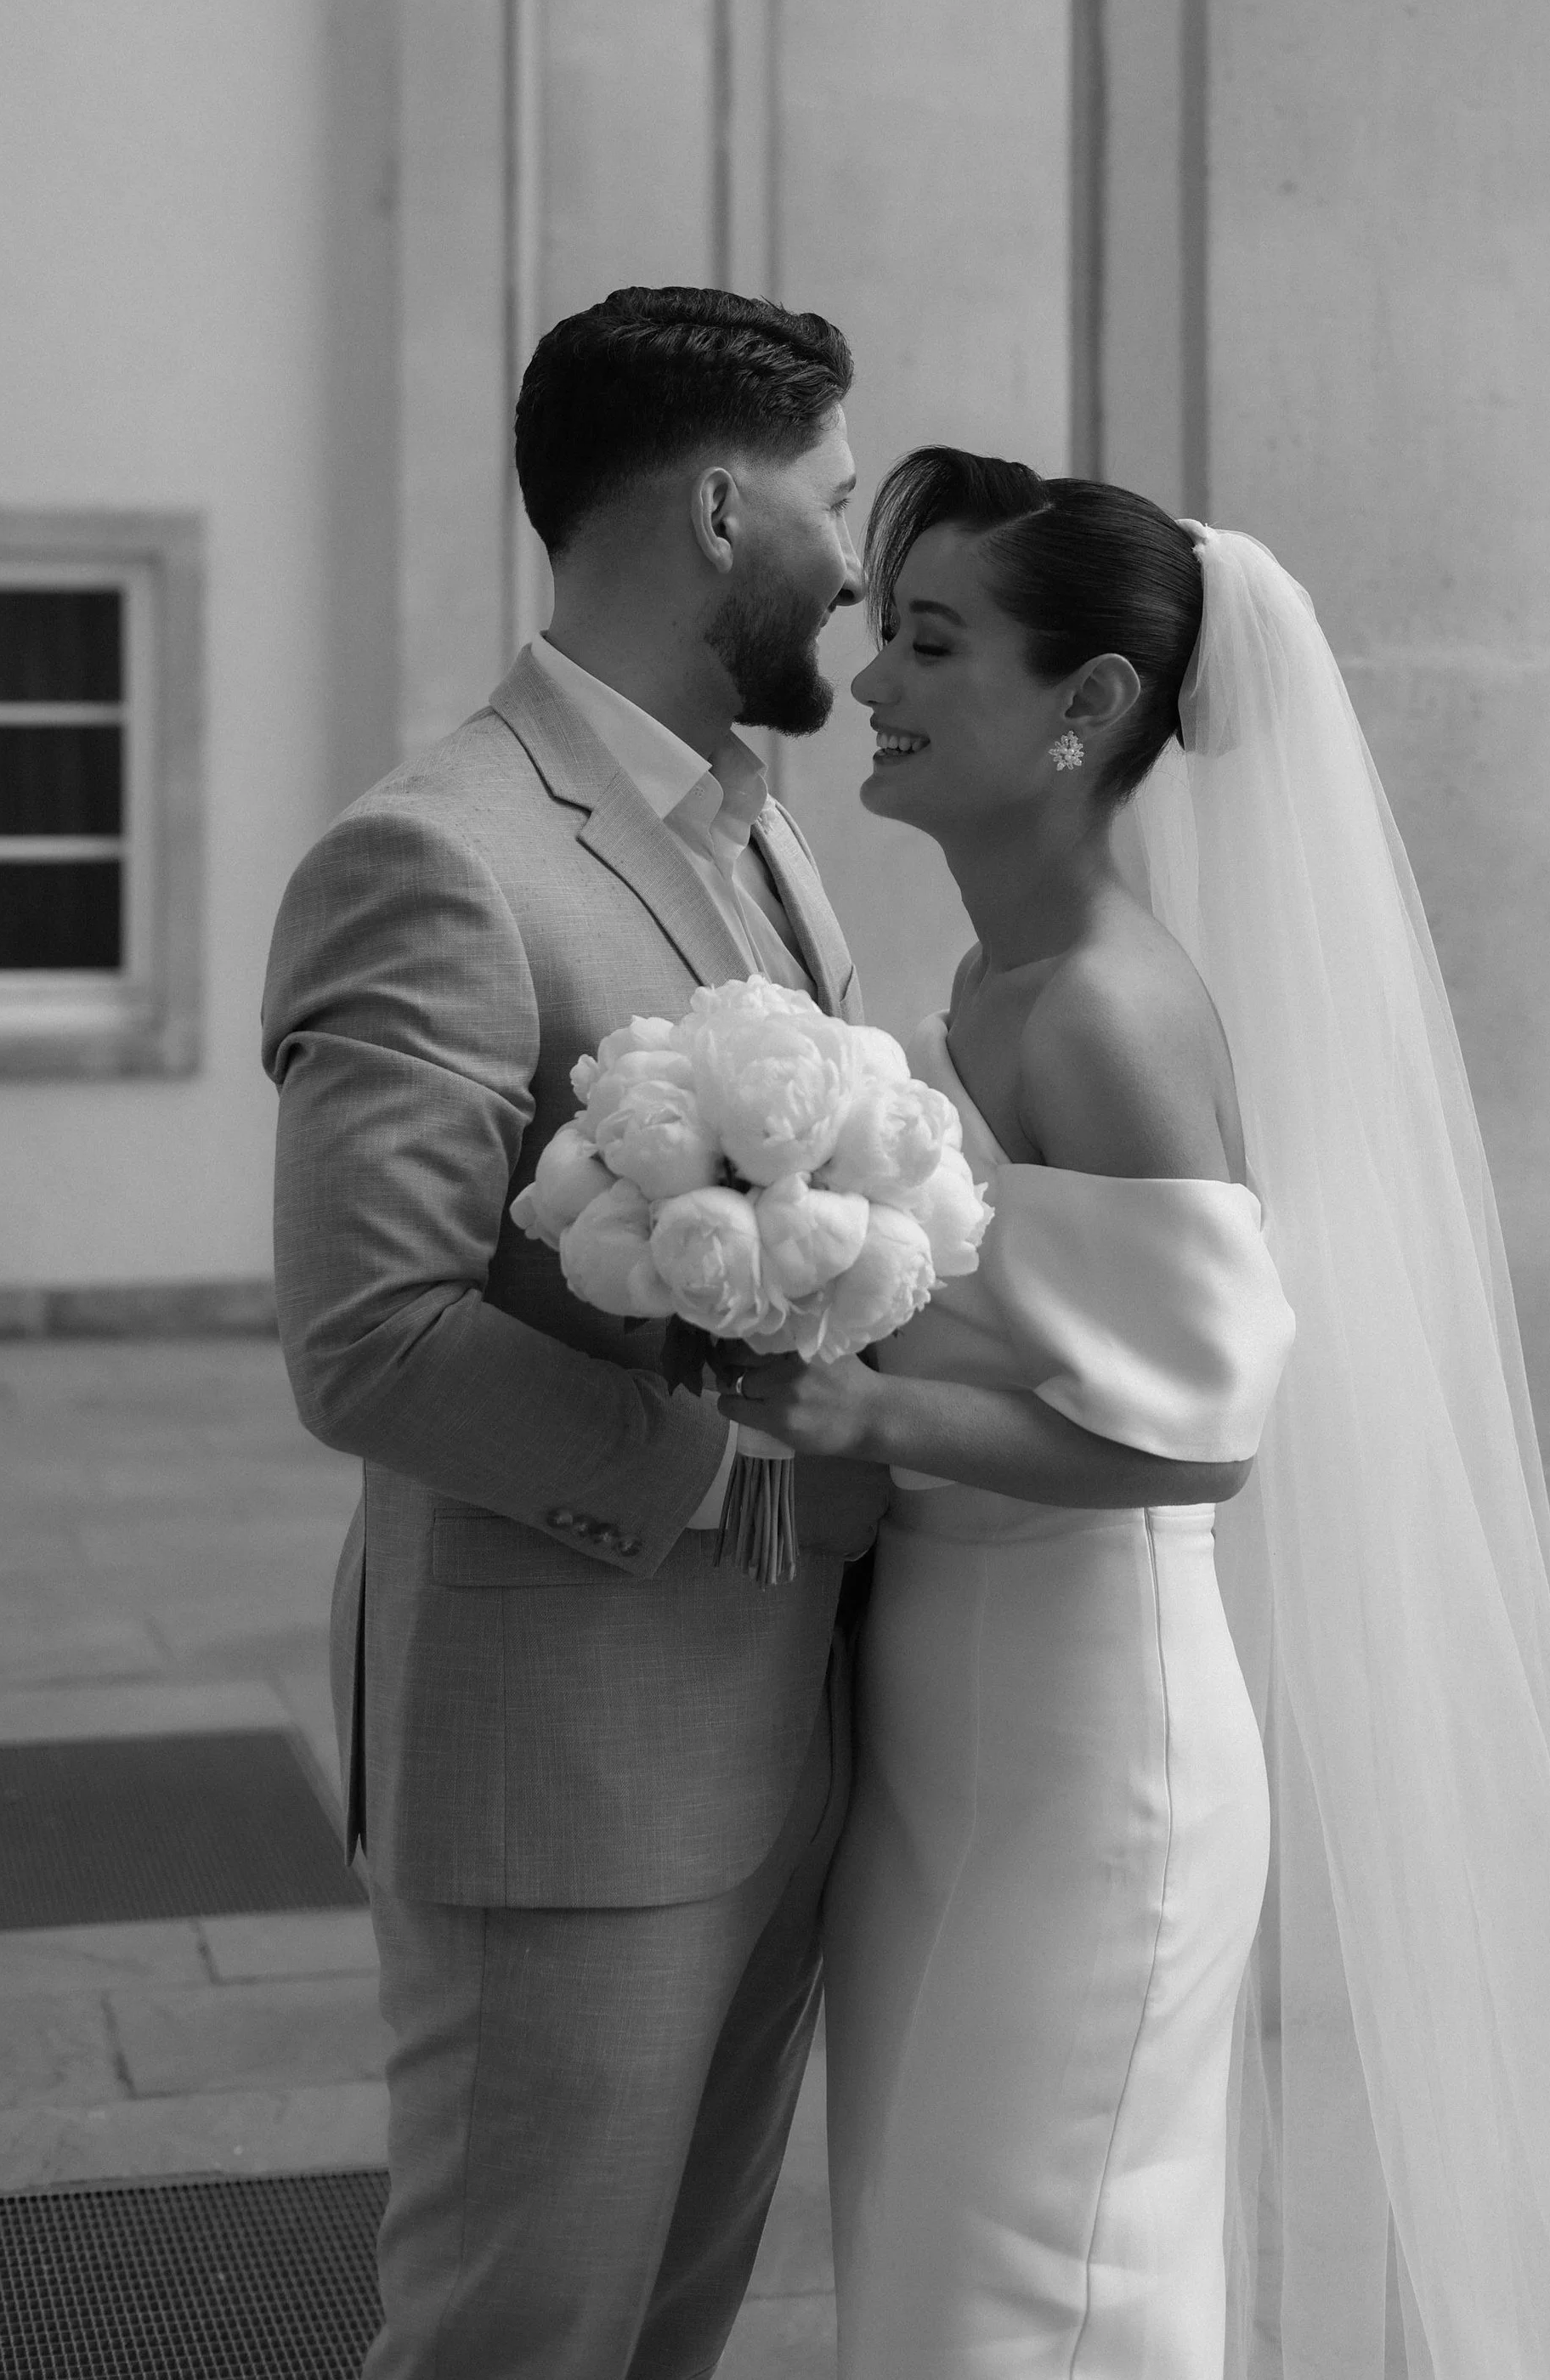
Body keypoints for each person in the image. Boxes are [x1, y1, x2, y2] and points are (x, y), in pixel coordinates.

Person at [723, 448, 1550, 2380]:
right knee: (946, 2261)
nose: (871, 683)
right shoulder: (990, 976)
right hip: (959, 1711)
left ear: (1087, 709)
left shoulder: (1099, 1007)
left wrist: (865, 1422)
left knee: (1039, 2283)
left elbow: (1200, 1434)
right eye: (884, 632)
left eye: (929, 643)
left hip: (1090, 1743)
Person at [261, 286, 890, 2380]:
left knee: (667, 2338)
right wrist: (731, 1463)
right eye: (826, 491)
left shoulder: (761, 825)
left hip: (777, 1736)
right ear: (720, 509)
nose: (852, 550)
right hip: (567, 1770)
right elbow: (371, 1336)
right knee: (512, 2342)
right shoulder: (436, 854)